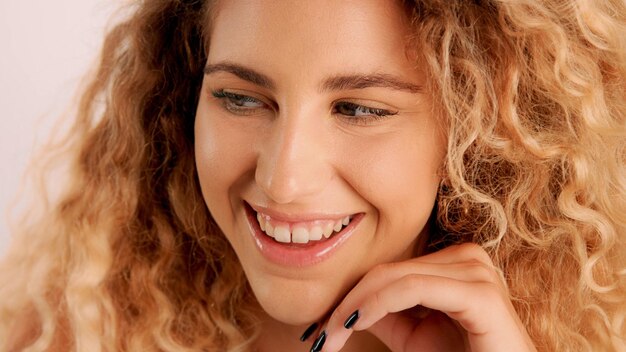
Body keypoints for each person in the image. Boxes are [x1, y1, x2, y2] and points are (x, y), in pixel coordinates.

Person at [1, 0, 624, 351]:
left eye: (359, 109)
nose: (283, 179)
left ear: (477, 131)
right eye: (240, 98)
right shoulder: (66, 332)